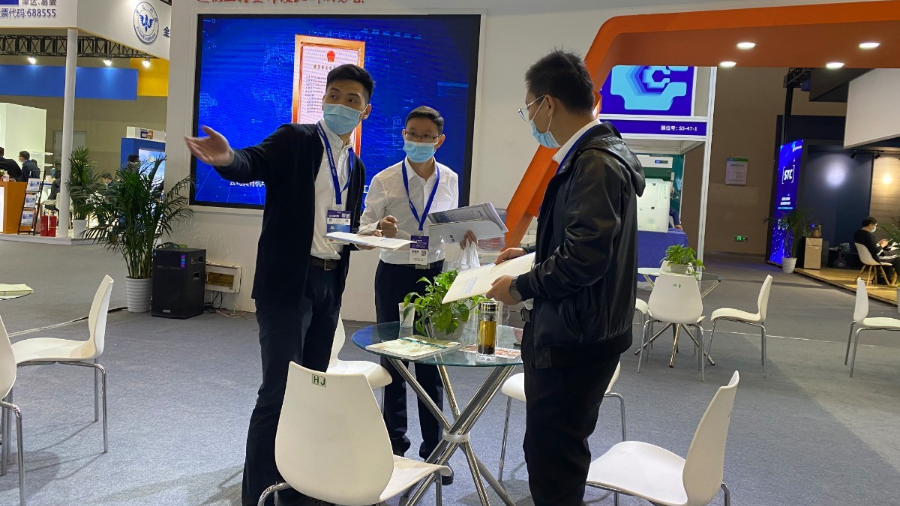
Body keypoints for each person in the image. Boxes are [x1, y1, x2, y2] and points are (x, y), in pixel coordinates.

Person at [185, 64, 374, 506]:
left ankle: (299, 488)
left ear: (365, 111)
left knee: (313, 390)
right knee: (278, 392)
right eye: (334, 94)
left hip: (329, 283)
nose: (341, 104)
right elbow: (252, 161)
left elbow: (338, 227)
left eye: (352, 100)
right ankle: (258, 496)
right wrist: (227, 159)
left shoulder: (356, 165)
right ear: (323, 98)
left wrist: (367, 234)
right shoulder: (296, 139)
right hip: (289, 282)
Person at [486, 50, 645, 506]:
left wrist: (520, 286)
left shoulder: (593, 163)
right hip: (588, 330)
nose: (531, 119)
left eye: (529, 108)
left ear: (548, 104)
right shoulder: (598, 155)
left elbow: (584, 258)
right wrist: (530, 254)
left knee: (554, 462)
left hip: (574, 338)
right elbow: (587, 240)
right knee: (556, 452)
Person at [358, 106, 473, 481]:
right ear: (403, 135)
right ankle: (393, 448)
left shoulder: (450, 178)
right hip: (394, 275)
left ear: (439, 140)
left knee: (431, 364)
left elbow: (448, 225)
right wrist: (380, 227)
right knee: (394, 361)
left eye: (426, 136)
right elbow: (363, 231)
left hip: (434, 277)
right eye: (412, 134)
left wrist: (465, 234)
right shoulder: (385, 179)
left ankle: (433, 451)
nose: (418, 141)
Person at [853, 216, 900, 284]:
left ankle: (885, 279)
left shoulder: (858, 233)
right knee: (897, 257)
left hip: (867, 257)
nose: (875, 227)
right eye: (875, 225)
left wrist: (878, 243)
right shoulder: (869, 236)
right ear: (870, 225)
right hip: (875, 257)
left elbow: (869, 246)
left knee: (894, 253)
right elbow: (876, 251)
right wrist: (882, 245)